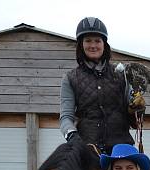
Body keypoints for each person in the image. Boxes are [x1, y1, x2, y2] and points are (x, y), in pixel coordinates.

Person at [59, 17, 138, 154]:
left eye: (97, 40)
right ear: (81, 45)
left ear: (104, 44)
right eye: (88, 41)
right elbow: (66, 117)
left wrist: (138, 108)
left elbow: (134, 120)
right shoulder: (70, 78)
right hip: (87, 149)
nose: (93, 45)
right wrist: (72, 135)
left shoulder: (122, 75)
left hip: (121, 149)